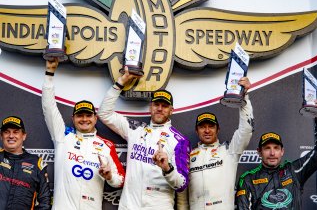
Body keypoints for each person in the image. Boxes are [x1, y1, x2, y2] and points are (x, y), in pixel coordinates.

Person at [97, 67, 190, 209]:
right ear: (150, 107)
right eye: (156, 104)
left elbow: (182, 184)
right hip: (129, 205)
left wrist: (167, 168)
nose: (159, 108)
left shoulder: (179, 140)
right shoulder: (136, 129)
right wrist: (121, 82)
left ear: (171, 110)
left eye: (164, 106)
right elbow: (104, 114)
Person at [42, 58, 125, 210]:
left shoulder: (106, 146)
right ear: (73, 119)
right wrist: (49, 74)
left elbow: (121, 180)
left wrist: (109, 177)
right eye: (80, 115)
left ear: (95, 118)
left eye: (88, 115)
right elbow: (49, 107)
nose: (84, 119)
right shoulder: (63, 137)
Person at [178, 77, 254, 210]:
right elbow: (183, 193)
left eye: (211, 126)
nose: (207, 130)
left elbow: (246, 129)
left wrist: (245, 97)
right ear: (197, 131)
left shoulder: (229, 151)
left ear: (217, 129)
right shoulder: (188, 156)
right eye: (202, 127)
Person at [236, 108, 317, 209]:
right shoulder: (248, 179)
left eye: (276, 148)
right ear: (259, 152)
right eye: (267, 148)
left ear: (282, 151)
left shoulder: (294, 171)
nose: (272, 153)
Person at [0, 115, 51, 210]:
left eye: (16, 132)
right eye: (7, 132)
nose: (11, 136)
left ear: (23, 136)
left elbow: (44, 202)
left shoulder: (37, 163)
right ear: (1, 136)